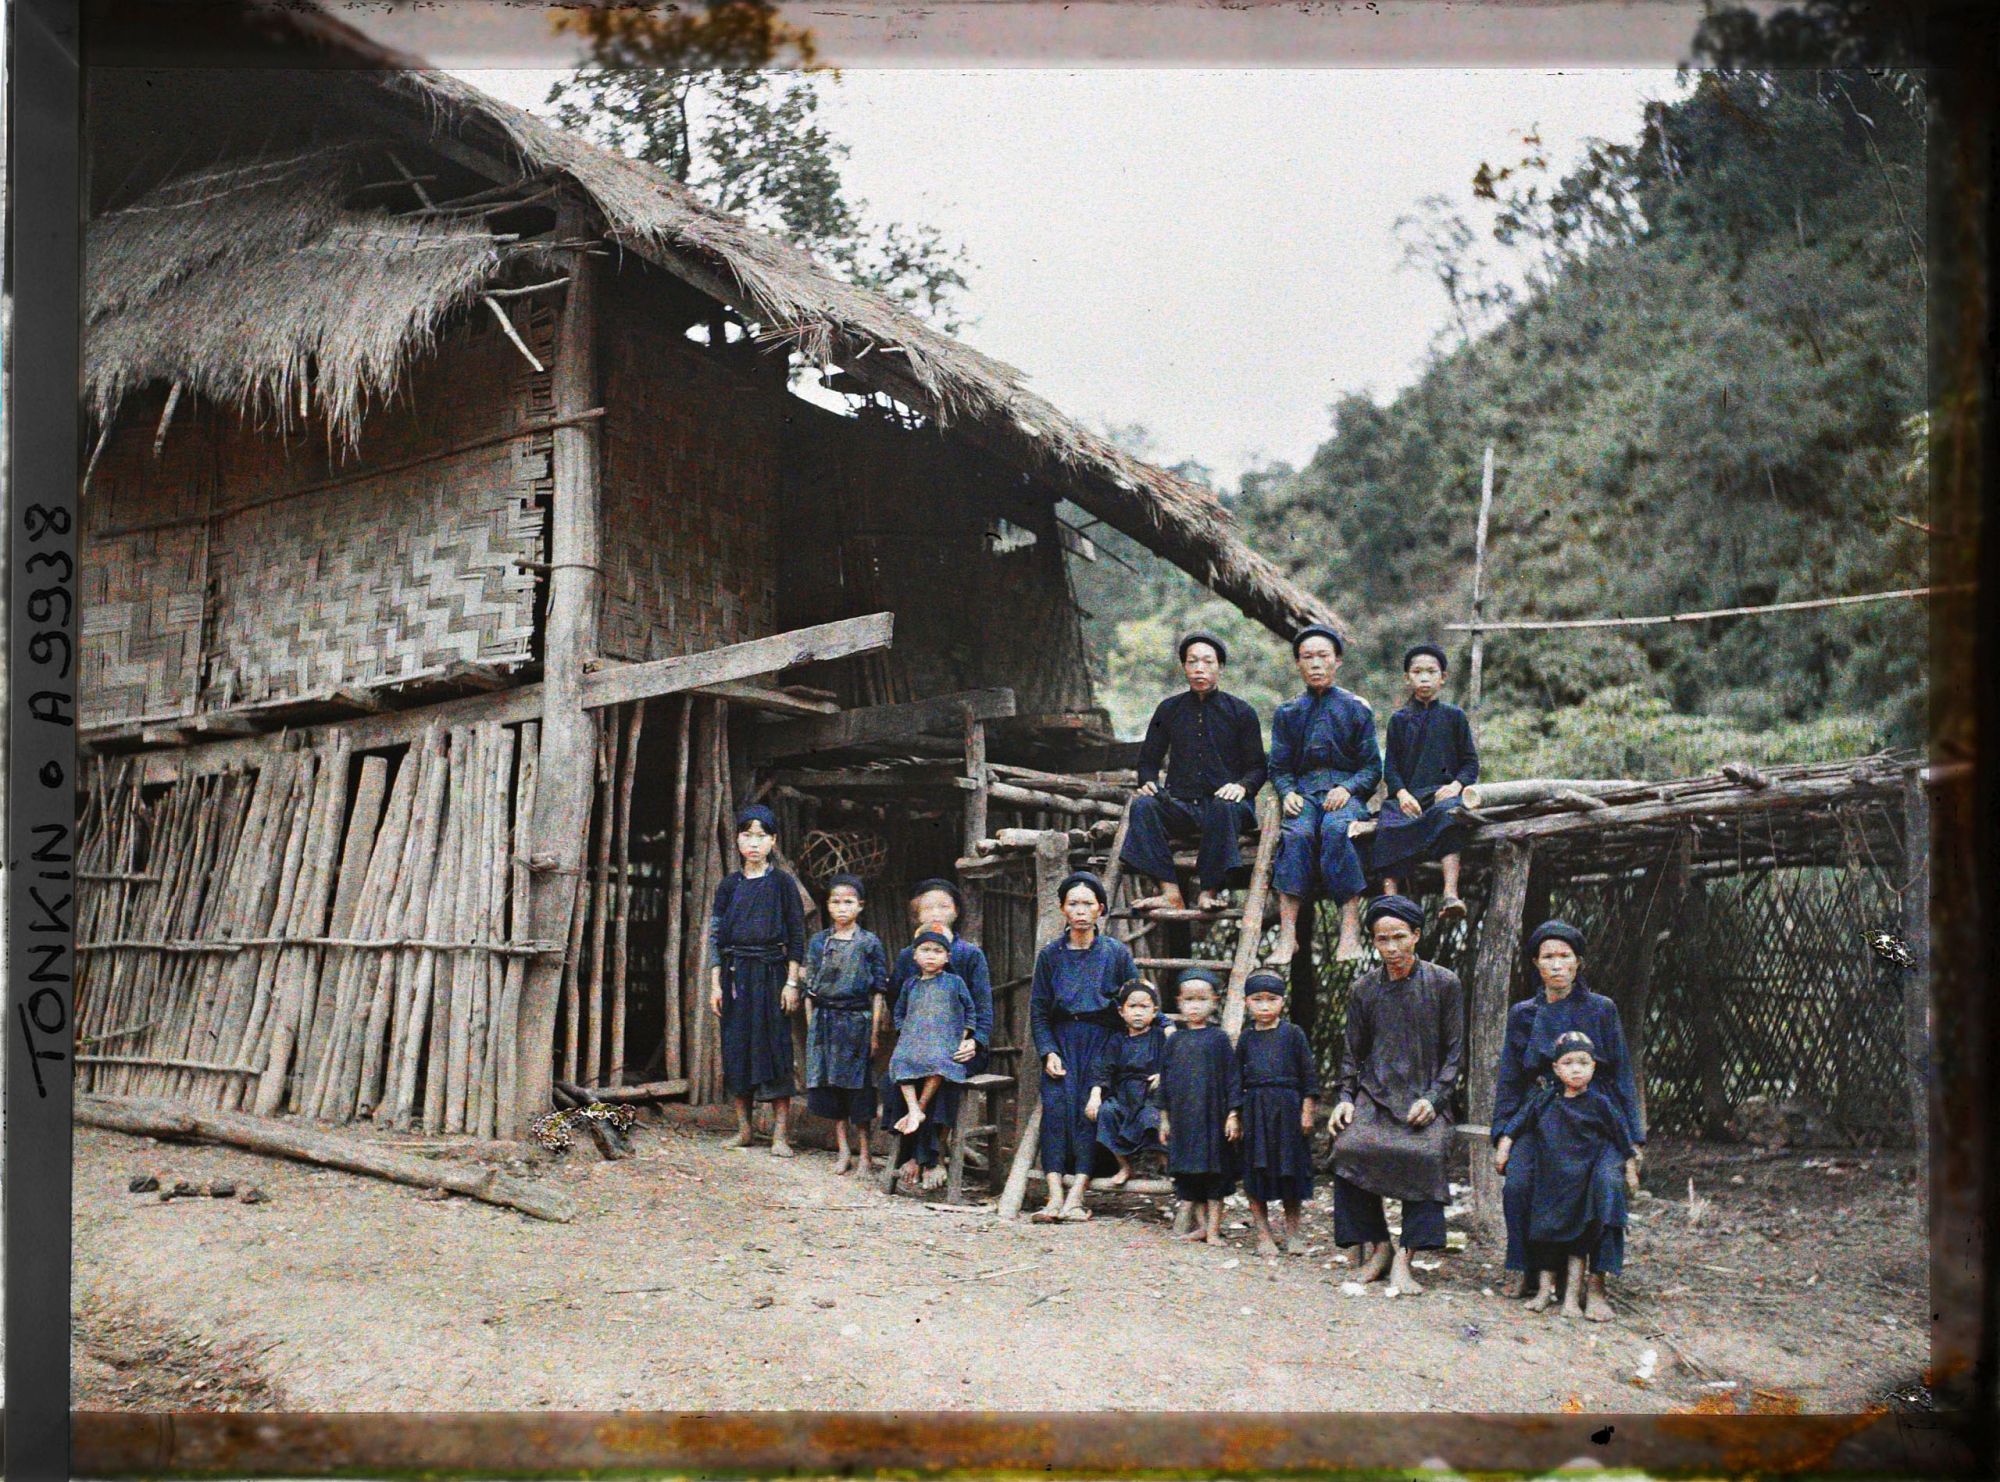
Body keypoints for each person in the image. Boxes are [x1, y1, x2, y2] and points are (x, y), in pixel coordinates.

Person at [1491, 920, 1646, 1308]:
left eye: (1565, 956)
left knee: (1607, 1184)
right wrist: (1504, 1134)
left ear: (1578, 963)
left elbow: (1623, 1073)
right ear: (1536, 964)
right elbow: (1511, 1078)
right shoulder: (1523, 1014)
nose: (1557, 965)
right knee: (1520, 1181)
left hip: (1597, 1116)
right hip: (1542, 1113)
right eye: (1548, 957)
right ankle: (1526, 1267)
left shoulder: (1602, 1009)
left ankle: (1596, 1283)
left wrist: (1634, 1140)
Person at [1329, 895, 1466, 1296]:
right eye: (1381, 939)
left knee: (1423, 1155)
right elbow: (1353, 1052)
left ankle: (1407, 1258)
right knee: (1349, 1146)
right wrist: (1345, 1098)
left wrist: (1436, 1099)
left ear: (1416, 936)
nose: (1390, 948)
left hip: (1425, 1096)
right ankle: (1381, 1247)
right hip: (1377, 1095)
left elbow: (1455, 1053)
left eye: (1399, 937)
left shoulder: (1444, 983)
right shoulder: (1364, 989)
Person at [1495, 1029, 1638, 1321]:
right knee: (1546, 1236)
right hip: (1551, 1181)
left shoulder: (1600, 1104)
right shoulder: (1545, 1099)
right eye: (1569, 1063)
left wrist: (1631, 1170)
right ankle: (1543, 1292)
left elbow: (1622, 1138)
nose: (1576, 1069)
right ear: (1556, 1069)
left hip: (1579, 1181)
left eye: (1583, 1063)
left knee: (1578, 1242)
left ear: (1593, 1067)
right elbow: (1519, 1122)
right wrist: (1505, 1146)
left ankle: (1572, 1298)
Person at [1122, 631, 1268, 913]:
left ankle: (1208, 891)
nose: (1199, 668)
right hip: (1181, 806)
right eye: (1192, 662)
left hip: (1228, 810)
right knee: (1143, 807)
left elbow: (1258, 767)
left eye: (1207, 662)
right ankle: (1170, 892)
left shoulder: (1241, 712)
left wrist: (1242, 787)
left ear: (1220, 667)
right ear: (1184, 667)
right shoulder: (1168, 710)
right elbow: (1148, 761)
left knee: (1222, 806)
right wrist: (1148, 782)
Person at [1028, 870, 1136, 1222]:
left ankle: (1078, 1195)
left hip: (1102, 1043)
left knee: (1090, 1113)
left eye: (1087, 904)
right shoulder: (1050, 956)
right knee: (1056, 1111)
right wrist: (1048, 1050)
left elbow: (1134, 1000)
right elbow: (1040, 1010)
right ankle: (1054, 1195)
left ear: (1100, 909)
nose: (1080, 910)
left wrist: (1161, 1029)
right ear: (1062, 909)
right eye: (1072, 903)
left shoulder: (1115, 954)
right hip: (1062, 1041)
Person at [1269, 624, 1381, 964]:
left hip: (1344, 798)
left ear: (1338, 662)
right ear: (1298, 664)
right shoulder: (1287, 713)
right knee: (1297, 835)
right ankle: (1288, 937)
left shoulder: (1356, 709)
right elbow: (1279, 766)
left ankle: (1350, 932)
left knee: (1337, 831)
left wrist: (1347, 788)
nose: (1315, 664)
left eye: (1323, 656)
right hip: (1304, 796)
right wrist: (1287, 791)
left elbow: (1373, 768)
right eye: (1307, 657)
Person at [880, 879, 994, 1191]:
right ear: (916, 913)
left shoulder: (969, 955)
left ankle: (929, 1156)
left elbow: (982, 1005)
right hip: (920, 1042)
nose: (936, 912)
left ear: (957, 911)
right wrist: (911, 1033)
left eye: (944, 906)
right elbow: (897, 999)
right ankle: (915, 1152)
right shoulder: (910, 955)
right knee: (897, 1076)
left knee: (945, 1073)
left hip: (962, 1045)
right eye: (928, 906)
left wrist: (975, 1040)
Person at [707, 804, 807, 1155]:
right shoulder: (728, 886)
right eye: (747, 835)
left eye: (761, 836)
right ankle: (745, 1129)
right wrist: (715, 983)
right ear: (737, 840)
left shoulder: (781, 883)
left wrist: (791, 982)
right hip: (736, 977)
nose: (753, 843)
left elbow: (797, 934)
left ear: (772, 841)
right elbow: (716, 936)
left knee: (776, 1047)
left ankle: (780, 1135)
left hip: (772, 974)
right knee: (736, 1048)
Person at [1363, 644, 1479, 919]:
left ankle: (1450, 894)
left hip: (1442, 794)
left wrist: (1455, 786)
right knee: (1388, 826)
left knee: (1450, 817)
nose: (1424, 678)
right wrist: (1402, 794)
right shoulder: (1399, 720)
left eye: (1431, 672)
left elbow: (1470, 763)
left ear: (1443, 678)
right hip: (1409, 797)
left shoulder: (1454, 717)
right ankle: (1390, 902)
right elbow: (1390, 767)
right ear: (1407, 678)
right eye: (1417, 672)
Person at [801, 873, 890, 1176]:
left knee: (860, 1090)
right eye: (835, 902)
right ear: (827, 905)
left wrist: (875, 1032)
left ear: (860, 906)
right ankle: (843, 1152)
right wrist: (813, 1028)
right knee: (832, 1089)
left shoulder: (869, 943)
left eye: (848, 902)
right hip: (826, 1024)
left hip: (858, 1023)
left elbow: (878, 990)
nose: (842, 908)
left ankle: (865, 1153)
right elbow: (809, 991)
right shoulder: (818, 943)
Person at [1152, 968, 1242, 1244]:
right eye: (1189, 999)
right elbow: (1165, 1082)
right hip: (1184, 1120)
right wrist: (1164, 1120)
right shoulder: (1174, 1041)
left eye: (1202, 1000)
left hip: (1212, 1119)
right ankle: (1201, 1227)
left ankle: (1213, 1230)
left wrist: (1233, 1114)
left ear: (1214, 1002)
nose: (1195, 1005)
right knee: (1189, 1173)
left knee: (1214, 1175)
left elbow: (1232, 1078)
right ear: (1179, 1002)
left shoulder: (1219, 1039)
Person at [1235, 968, 1320, 1256]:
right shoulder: (1246, 1039)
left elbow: (1309, 1075)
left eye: (1271, 999)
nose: (1264, 1006)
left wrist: (1307, 1109)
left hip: (1288, 1108)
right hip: (1255, 1110)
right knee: (1255, 1171)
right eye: (1257, 999)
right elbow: (1235, 1079)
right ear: (1247, 1003)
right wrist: (1234, 1114)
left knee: (1290, 1171)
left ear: (1282, 1002)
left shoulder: (1293, 1034)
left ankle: (1293, 1232)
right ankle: (1263, 1235)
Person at [886, 930, 978, 1136]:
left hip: (944, 1039)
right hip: (915, 1039)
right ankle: (914, 1109)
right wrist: (904, 1031)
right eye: (925, 950)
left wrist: (965, 1034)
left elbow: (971, 1010)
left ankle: (920, 1106)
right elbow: (899, 1011)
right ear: (915, 955)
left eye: (937, 951)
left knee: (940, 1061)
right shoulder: (910, 984)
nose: (931, 955)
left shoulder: (954, 982)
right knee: (900, 1060)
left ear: (947, 957)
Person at [1087, 980, 1168, 1186]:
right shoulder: (1116, 1040)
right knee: (1106, 1113)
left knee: (1151, 1118)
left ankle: (1165, 1164)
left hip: (1151, 1095)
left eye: (1144, 1007)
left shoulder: (1160, 1037)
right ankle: (1125, 1166)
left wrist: (1163, 1075)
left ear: (1155, 1011)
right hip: (1124, 1095)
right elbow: (1103, 1069)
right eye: (1132, 1007)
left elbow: (1174, 1061)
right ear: (1122, 1012)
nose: (1138, 1013)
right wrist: (1095, 1096)